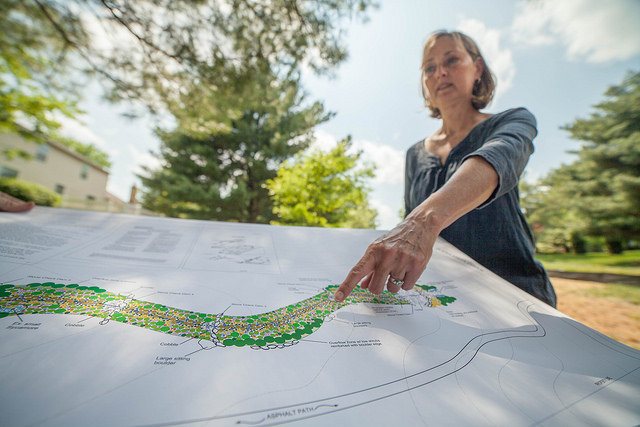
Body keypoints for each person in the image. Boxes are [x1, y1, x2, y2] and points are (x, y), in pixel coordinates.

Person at [334, 30, 557, 308]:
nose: (440, 72)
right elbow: (408, 224)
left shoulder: (513, 121)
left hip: (517, 297)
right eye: (429, 67)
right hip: (443, 305)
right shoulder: (415, 154)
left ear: (478, 68)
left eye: (451, 60)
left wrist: (424, 221)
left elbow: (497, 158)